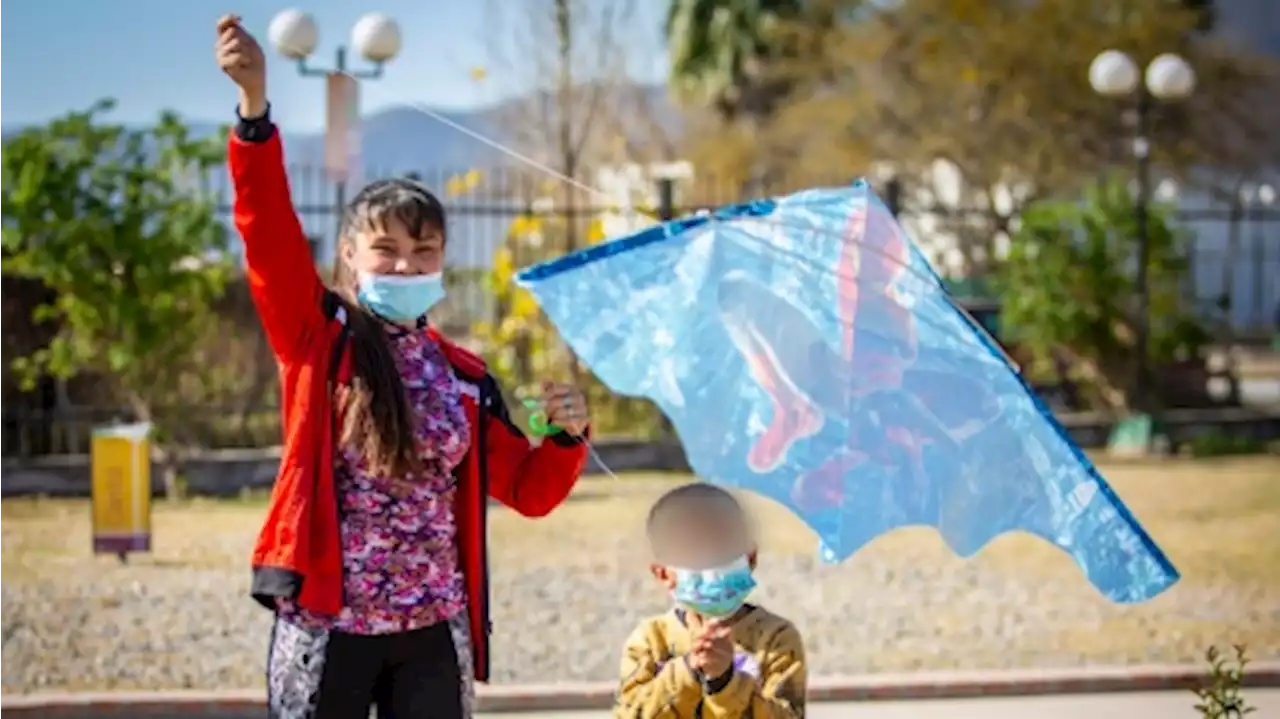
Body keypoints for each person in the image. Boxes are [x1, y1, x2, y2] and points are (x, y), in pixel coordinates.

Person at [214, 15, 591, 719]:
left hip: (432, 627)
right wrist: (255, 111)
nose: (406, 265)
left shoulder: (464, 376)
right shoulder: (318, 335)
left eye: (424, 253)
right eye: (385, 249)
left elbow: (527, 489)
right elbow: (264, 228)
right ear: (350, 256)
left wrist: (569, 438)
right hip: (331, 621)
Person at [614, 483, 808, 718]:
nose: (711, 568)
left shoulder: (775, 639)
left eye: (723, 553)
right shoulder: (651, 640)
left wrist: (726, 682)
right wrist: (688, 670)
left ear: (750, 558)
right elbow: (631, 713)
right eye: (693, 556)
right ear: (664, 574)